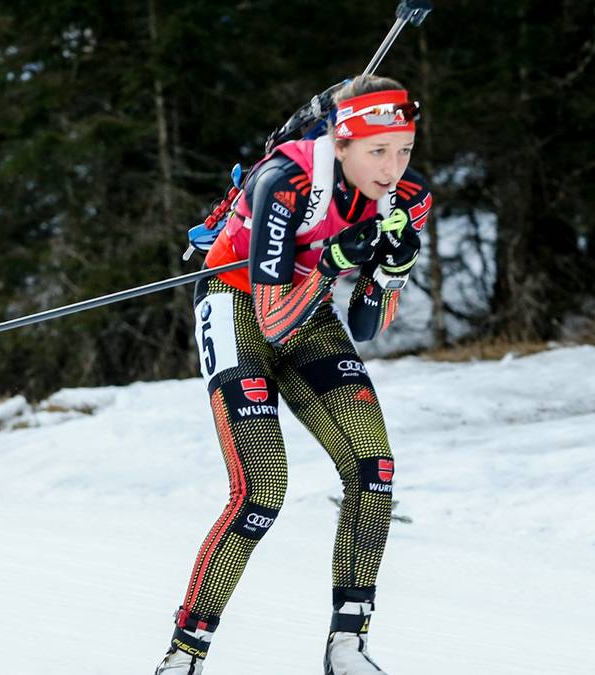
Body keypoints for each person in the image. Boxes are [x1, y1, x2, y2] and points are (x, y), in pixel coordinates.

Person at [155, 74, 433, 675]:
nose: (391, 168)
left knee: (372, 466)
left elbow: (364, 324)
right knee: (260, 491)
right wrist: (337, 256)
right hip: (239, 302)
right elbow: (273, 316)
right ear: (342, 142)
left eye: (404, 148)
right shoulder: (284, 183)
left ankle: (347, 647)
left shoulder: (407, 197)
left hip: (310, 309)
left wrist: (390, 274)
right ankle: (184, 654)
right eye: (377, 151)